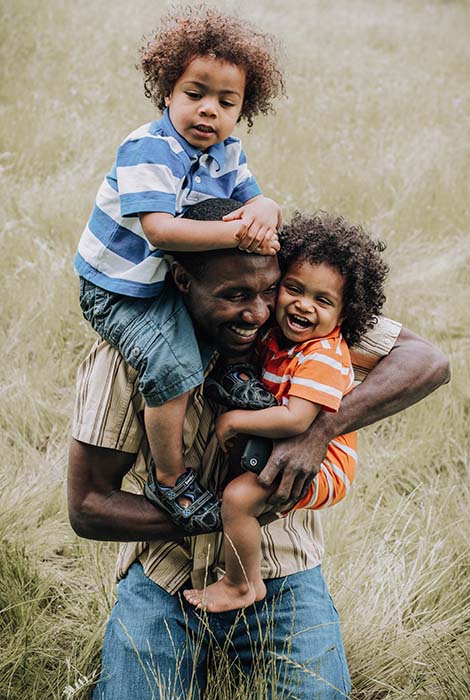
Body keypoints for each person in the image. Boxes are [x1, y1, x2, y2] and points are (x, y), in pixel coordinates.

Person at [68, 199, 450, 700]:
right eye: (235, 295)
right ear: (183, 282)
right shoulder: (130, 354)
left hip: (283, 568)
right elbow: (88, 507)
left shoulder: (297, 318)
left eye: (269, 290)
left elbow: (427, 360)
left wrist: (315, 435)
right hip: (163, 574)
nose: (257, 312)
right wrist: (227, 513)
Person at [73, 5, 284, 529]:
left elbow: (254, 200)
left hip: (168, 280)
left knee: (219, 313)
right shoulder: (150, 147)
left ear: (242, 110)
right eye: (195, 94)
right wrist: (241, 229)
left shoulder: (227, 151)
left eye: (225, 101)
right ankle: (171, 480)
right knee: (171, 364)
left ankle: (225, 377)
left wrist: (266, 209)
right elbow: (161, 230)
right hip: (119, 288)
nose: (208, 111)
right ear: (167, 91)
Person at [183, 212, 389, 612]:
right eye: (293, 289)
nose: (303, 305)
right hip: (292, 442)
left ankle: (242, 584)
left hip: (325, 464)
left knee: (239, 498)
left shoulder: (323, 354)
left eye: (322, 300)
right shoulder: (283, 340)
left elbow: (297, 420)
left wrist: (233, 420)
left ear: (344, 315)